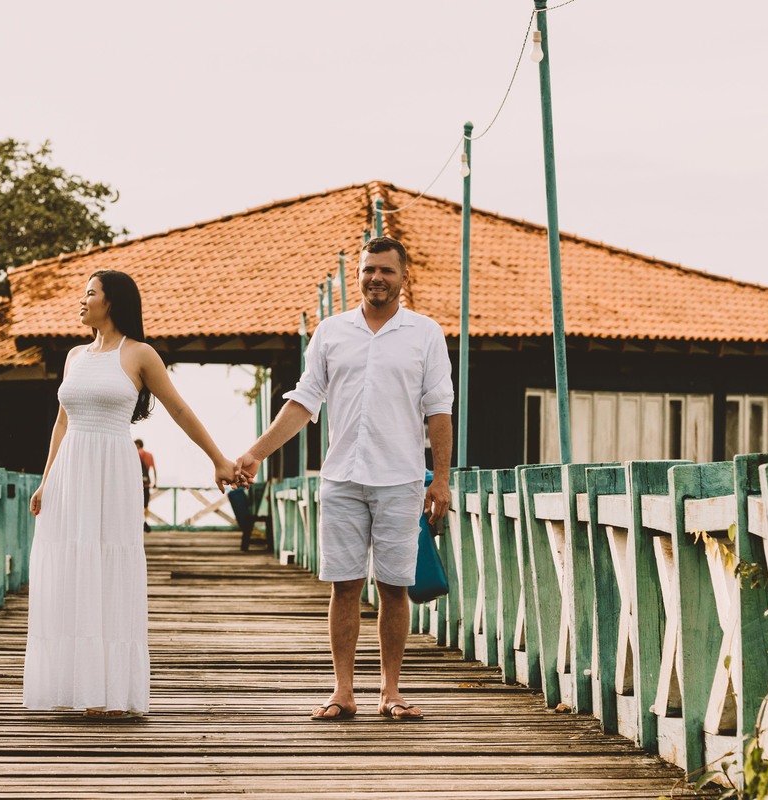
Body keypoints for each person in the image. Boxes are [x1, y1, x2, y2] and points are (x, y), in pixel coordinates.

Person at [235, 237, 453, 722]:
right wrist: (255, 453)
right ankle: (343, 691)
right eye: (369, 269)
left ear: (403, 277)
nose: (377, 278)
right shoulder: (331, 332)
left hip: (401, 478)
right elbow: (304, 401)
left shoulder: (425, 333)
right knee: (344, 585)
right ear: (358, 274)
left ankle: (391, 691)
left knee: (394, 587)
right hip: (342, 477)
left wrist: (440, 478)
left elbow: (439, 408)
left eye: (387, 270)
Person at [24, 269, 237, 718]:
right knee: (71, 570)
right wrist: (46, 479)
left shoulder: (140, 354)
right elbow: (61, 423)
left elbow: (179, 408)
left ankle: (110, 693)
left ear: (112, 302)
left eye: (90, 294)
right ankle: (78, 686)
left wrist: (218, 459)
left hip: (113, 471)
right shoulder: (74, 356)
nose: (81, 301)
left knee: (110, 568)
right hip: (70, 473)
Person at [134, 438, 156, 531]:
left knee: (135, 505)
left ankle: (138, 522)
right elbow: (154, 469)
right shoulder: (149, 455)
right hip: (146, 484)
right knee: (146, 506)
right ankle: (145, 521)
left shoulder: (135, 453)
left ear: (138, 445)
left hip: (136, 485)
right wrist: (155, 482)